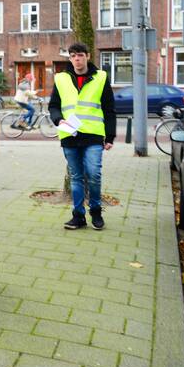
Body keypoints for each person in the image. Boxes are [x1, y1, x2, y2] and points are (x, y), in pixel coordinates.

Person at [49, 42, 116, 231]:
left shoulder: (101, 77)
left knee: (93, 174)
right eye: (73, 56)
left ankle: (95, 210)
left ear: (87, 56)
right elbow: (53, 105)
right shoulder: (61, 78)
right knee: (76, 177)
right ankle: (78, 216)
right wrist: (58, 120)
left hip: (93, 135)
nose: (76, 59)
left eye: (80, 55)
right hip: (69, 134)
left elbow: (109, 108)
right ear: (70, 58)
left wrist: (109, 136)